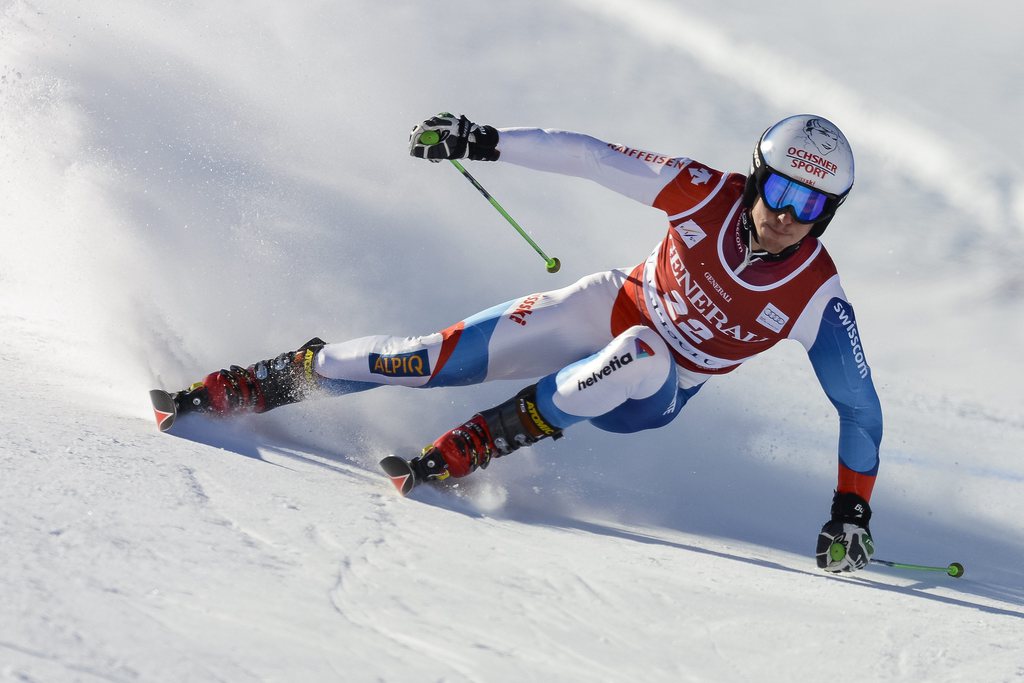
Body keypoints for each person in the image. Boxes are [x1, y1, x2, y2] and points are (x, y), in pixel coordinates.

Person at [164, 112, 882, 574]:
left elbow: (860, 408)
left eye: (813, 207)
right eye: (782, 193)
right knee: (429, 356)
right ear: (757, 178)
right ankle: (272, 380)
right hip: (609, 304)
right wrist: (484, 141)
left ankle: (480, 440)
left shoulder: (817, 293)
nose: (790, 217)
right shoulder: (703, 192)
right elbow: (591, 157)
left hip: (655, 387)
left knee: (643, 353)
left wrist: (852, 511)